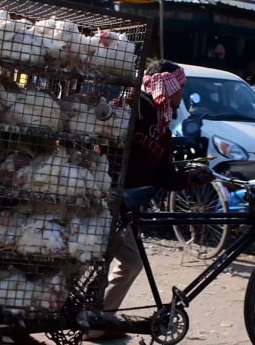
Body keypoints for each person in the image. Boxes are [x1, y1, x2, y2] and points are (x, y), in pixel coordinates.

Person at [83, 60, 213, 341]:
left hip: (124, 208)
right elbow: (101, 134)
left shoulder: (163, 125)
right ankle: (91, 321)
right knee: (103, 263)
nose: (182, 95)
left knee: (130, 262)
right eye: (180, 88)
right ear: (169, 85)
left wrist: (190, 178)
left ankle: (98, 321)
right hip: (102, 198)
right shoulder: (134, 107)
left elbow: (163, 175)